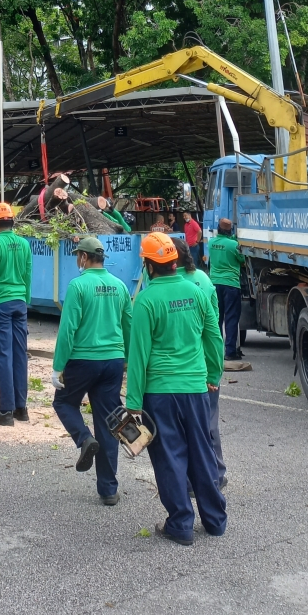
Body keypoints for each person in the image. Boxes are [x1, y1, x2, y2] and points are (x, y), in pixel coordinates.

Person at [124, 232, 226, 545]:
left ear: (150, 265)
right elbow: (213, 337)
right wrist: (213, 373)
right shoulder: (196, 291)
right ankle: (215, 520)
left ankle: (181, 523)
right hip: (196, 388)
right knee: (201, 451)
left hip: (160, 392)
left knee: (169, 457)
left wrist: (133, 400)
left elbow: (138, 355)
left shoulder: (146, 300)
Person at [51, 235, 132, 505]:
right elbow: (128, 325)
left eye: (77, 255)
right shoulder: (120, 286)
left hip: (83, 360)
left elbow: (68, 330)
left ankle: (84, 439)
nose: (77, 259)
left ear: (84, 258)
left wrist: (57, 367)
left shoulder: (78, 286)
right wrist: (128, 359)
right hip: (112, 361)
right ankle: (108, 490)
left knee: (64, 402)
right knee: (110, 423)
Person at [178, 253, 228, 490]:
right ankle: (217, 473)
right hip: (205, 361)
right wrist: (215, 371)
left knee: (184, 428)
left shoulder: (157, 283)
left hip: (179, 370)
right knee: (209, 423)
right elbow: (214, 329)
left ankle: (191, 480)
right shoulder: (204, 280)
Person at [0, 202, 32, 426]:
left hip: (1, 304)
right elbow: (27, 275)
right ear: (13, 222)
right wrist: (25, 302)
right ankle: (21, 408)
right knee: (19, 355)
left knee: (2, 355)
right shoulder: (24, 244)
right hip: (20, 303)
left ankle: (6, 411)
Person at [208, 218, 246, 360]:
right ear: (230, 230)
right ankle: (230, 352)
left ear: (218, 228)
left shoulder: (211, 243)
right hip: (231, 285)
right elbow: (242, 260)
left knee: (217, 318)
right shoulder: (233, 245)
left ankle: (216, 351)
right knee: (231, 318)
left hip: (215, 284)